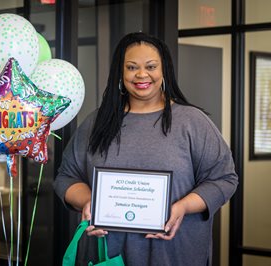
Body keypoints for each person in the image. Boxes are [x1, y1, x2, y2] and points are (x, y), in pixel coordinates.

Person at [53, 32, 238, 266]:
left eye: (151, 66)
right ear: (120, 72)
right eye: (131, 67)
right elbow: (66, 177)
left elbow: (224, 179)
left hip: (175, 254)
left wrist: (182, 207)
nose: (142, 74)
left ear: (164, 71)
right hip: (106, 256)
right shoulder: (97, 122)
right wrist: (89, 202)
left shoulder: (193, 121)